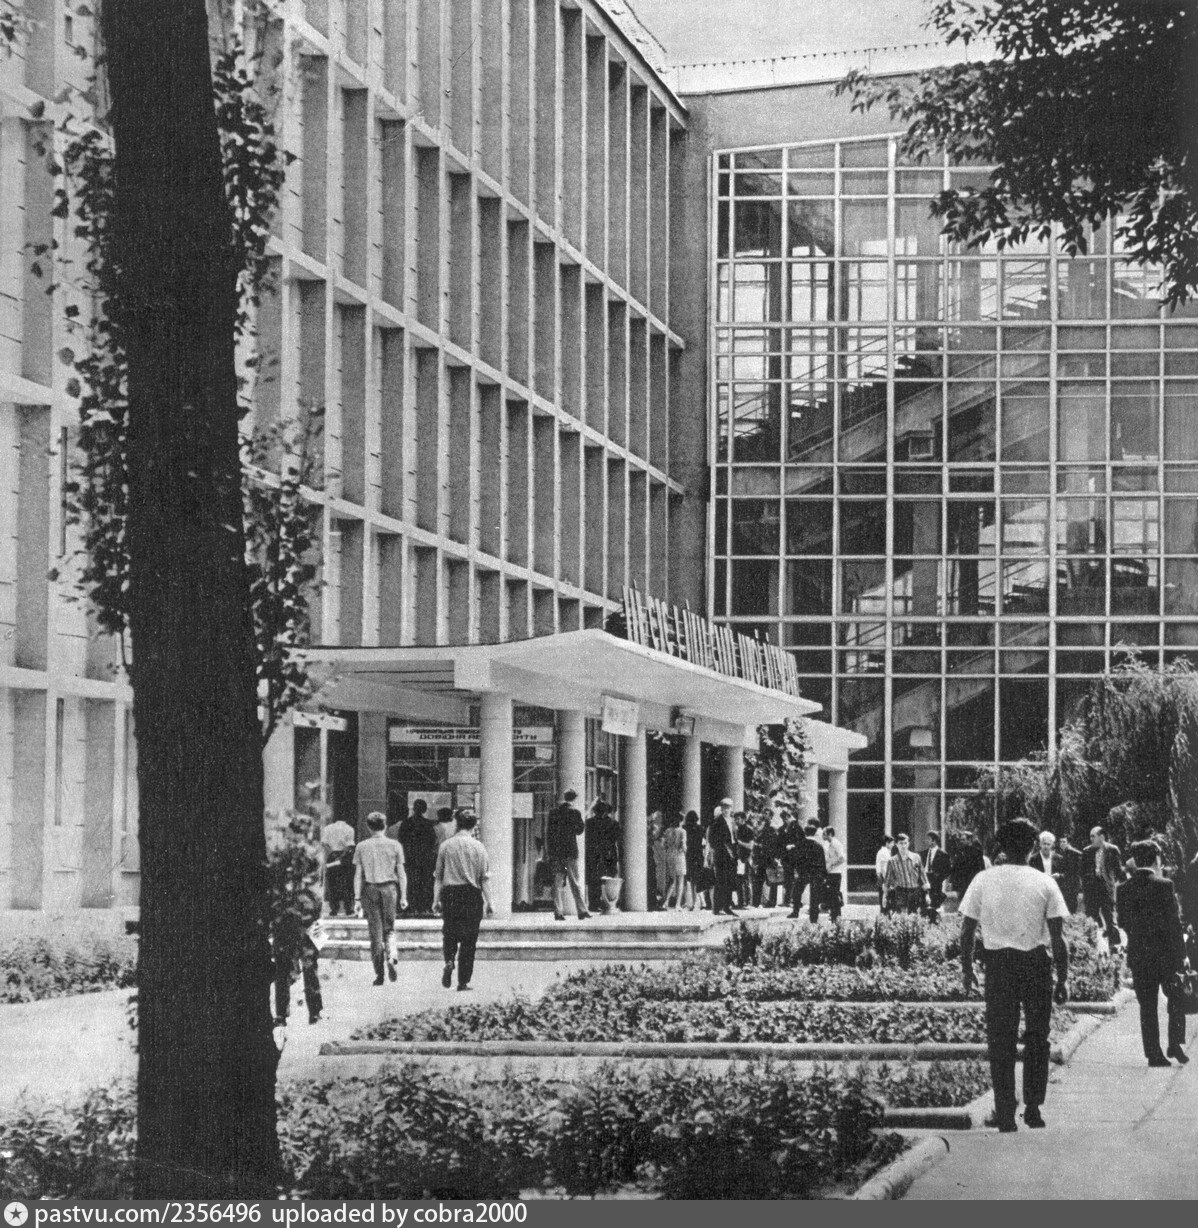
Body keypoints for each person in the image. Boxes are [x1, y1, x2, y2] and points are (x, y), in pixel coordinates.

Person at [959, 818, 1070, 1133]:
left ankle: (1006, 1113)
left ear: (1002, 847)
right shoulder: (1045, 882)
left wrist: (967, 970)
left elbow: (966, 931)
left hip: (998, 967)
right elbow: (1058, 938)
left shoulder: (983, 880)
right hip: (1036, 965)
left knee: (1001, 1039)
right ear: (1033, 847)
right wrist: (1062, 979)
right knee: (1037, 1037)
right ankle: (1033, 1108)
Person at [1117, 840, 1189, 1067]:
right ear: (1156, 859)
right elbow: (1174, 924)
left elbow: (1122, 922)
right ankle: (1175, 1043)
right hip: (1166, 955)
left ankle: (1154, 1054)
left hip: (1139, 954)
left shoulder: (1123, 889)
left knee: (1147, 1006)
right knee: (1176, 997)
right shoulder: (1165, 885)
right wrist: (1183, 954)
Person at [432, 808, 493, 992]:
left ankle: (449, 959)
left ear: (457, 824)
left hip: (450, 893)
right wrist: (490, 902)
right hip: (472, 895)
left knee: (449, 932)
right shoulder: (479, 847)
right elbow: (484, 879)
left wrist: (436, 900)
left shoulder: (446, 846)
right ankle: (463, 981)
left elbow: (438, 877)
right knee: (469, 939)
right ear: (474, 825)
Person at [353, 811, 407, 986]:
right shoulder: (395, 845)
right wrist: (404, 896)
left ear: (369, 827)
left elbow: (358, 874)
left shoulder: (362, 846)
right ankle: (392, 955)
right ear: (385, 826)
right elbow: (401, 873)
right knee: (389, 928)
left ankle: (379, 974)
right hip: (389, 888)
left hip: (370, 888)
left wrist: (356, 898)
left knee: (375, 934)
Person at [545, 789, 590, 921]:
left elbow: (549, 833)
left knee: (557, 883)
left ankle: (558, 912)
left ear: (564, 797)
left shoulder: (554, 813)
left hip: (556, 852)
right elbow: (579, 830)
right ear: (574, 799)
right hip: (570, 852)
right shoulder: (575, 813)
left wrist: (550, 852)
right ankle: (582, 910)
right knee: (575, 882)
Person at [1080, 824, 1126, 948]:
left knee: (1110, 918)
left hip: (1107, 889)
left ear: (1101, 837)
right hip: (1092, 890)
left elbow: (1118, 870)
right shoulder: (1086, 851)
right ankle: (1091, 947)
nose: (1091, 839)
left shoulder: (1112, 850)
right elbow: (1082, 872)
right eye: (1090, 836)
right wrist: (1085, 888)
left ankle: (1114, 947)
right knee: (1091, 919)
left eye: (1093, 836)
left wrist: (1113, 884)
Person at [398, 800, 437, 915]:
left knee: (410, 881)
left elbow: (401, 839)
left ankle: (411, 906)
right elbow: (432, 841)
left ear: (413, 809)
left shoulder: (406, 823)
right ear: (424, 810)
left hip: (409, 857)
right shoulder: (428, 824)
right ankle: (423, 907)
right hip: (425, 858)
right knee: (424, 882)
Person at [585, 800, 621, 911]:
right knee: (608, 878)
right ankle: (608, 903)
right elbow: (617, 839)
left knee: (593, 880)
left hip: (594, 854)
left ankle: (594, 903)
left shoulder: (589, 823)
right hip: (608, 854)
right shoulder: (613, 823)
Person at [788, 822, 828, 921]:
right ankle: (813, 918)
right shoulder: (819, 846)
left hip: (804, 873)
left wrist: (798, 871)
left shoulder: (800, 844)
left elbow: (796, 859)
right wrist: (824, 875)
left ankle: (795, 911)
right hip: (817, 873)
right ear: (815, 833)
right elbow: (823, 862)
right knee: (814, 896)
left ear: (805, 833)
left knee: (797, 892)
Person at [320, 814, 356, 917]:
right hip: (345, 858)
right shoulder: (349, 829)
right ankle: (348, 908)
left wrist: (333, 853)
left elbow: (324, 843)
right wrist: (341, 857)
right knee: (347, 882)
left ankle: (334, 909)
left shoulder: (327, 828)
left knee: (332, 882)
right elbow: (349, 846)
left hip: (332, 856)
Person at [708, 798, 739, 916]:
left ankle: (727, 906)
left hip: (732, 855)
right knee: (721, 881)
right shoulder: (717, 822)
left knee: (730, 881)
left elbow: (734, 838)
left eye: (728, 808)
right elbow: (712, 840)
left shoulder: (732, 822)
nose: (726, 810)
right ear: (721, 809)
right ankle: (717, 908)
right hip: (722, 855)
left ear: (731, 809)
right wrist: (722, 849)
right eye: (724, 808)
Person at [884, 833, 928, 915]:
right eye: (901, 843)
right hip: (900, 892)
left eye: (905, 843)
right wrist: (884, 897)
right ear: (896, 844)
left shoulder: (916, 857)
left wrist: (927, 894)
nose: (903, 846)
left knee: (914, 915)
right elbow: (887, 880)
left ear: (908, 844)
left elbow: (923, 877)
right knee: (901, 916)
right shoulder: (892, 861)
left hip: (915, 891)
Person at [757, 813, 788, 909]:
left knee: (770, 880)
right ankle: (767, 901)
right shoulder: (766, 831)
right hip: (767, 858)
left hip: (768, 858)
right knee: (769, 880)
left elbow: (773, 846)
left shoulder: (771, 831)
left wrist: (775, 857)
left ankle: (768, 901)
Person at [922, 831, 951, 922]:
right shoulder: (924, 853)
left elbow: (947, 870)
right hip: (925, 879)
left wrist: (939, 878)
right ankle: (927, 921)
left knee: (935, 904)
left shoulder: (943, 854)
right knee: (925, 902)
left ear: (934, 841)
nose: (926, 841)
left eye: (928, 839)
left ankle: (934, 921)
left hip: (936, 882)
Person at [660, 813, 688, 909]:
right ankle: (678, 904)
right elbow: (684, 846)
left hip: (670, 856)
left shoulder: (668, 831)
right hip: (679, 856)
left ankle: (665, 902)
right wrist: (685, 849)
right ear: (681, 821)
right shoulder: (682, 831)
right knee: (680, 881)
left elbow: (663, 845)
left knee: (671, 880)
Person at [950, 832, 987, 899]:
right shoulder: (959, 851)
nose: (961, 841)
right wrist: (953, 881)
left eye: (963, 840)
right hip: (962, 883)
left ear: (969, 840)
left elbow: (981, 867)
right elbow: (955, 867)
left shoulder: (976, 852)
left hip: (972, 881)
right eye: (961, 840)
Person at [821, 826, 846, 922]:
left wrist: (831, 866)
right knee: (832, 897)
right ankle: (834, 917)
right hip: (831, 873)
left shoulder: (836, 844)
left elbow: (842, 858)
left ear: (830, 834)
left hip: (835, 873)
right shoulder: (830, 844)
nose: (823, 836)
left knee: (834, 897)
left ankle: (836, 918)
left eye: (824, 834)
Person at [683, 809, 707, 910]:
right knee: (697, 880)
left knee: (689, 880)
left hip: (689, 855)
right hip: (699, 855)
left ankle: (691, 902)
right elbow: (704, 842)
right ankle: (701, 902)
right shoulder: (701, 828)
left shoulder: (685, 828)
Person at [1056, 834, 1083, 913]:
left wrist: (1060, 875)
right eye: (1060, 842)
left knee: (1071, 907)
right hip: (1068, 883)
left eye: (1064, 842)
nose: (1062, 843)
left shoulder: (1071, 852)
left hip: (1072, 884)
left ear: (1068, 843)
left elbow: (1072, 871)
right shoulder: (1065, 852)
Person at [734, 812, 756, 908]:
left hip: (745, 858)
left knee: (745, 880)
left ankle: (747, 902)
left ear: (743, 819)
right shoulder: (737, 830)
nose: (736, 821)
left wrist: (740, 843)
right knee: (739, 880)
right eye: (735, 819)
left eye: (738, 819)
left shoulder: (748, 830)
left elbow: (751, 846)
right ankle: (740, 902)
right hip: (738, 858)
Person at [874, 836, 895, 912]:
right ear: (887, 843)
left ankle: (885, 914)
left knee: (885, 900)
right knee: (885, 900)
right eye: (892, 843)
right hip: (884, 879)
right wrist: (887, 880)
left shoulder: (884, 852)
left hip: (884, 878)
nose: (893, 845)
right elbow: (883, 868)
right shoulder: (884, 853)